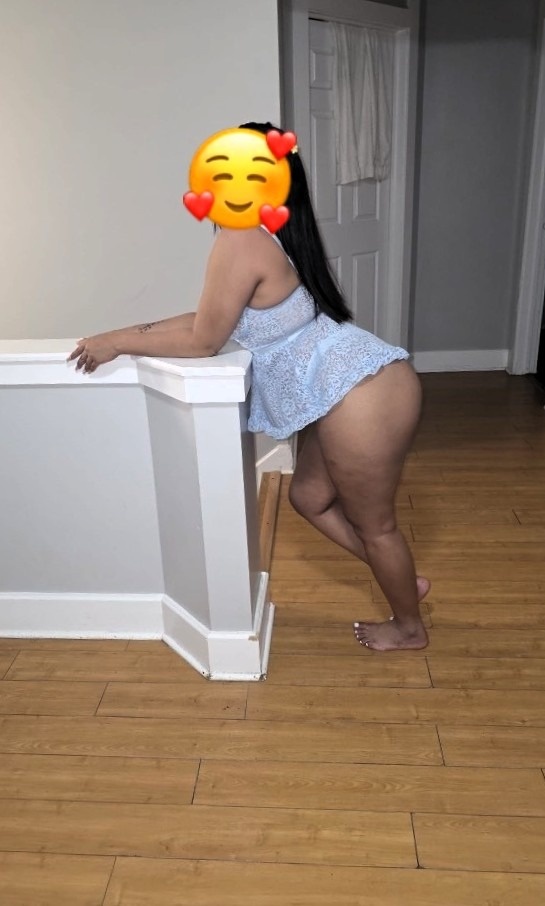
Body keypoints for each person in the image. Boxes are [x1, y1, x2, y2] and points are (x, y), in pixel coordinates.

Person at [69, 121, 429, 652]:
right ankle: (401, 581)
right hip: (351, 387)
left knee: (376, 526)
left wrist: (117, 342)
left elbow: (203, 340)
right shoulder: (266, 234)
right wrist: (118, 337)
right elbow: (209, 319)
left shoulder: (242, 238)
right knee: (309, 497)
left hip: (362, 392)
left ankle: (409, 627)